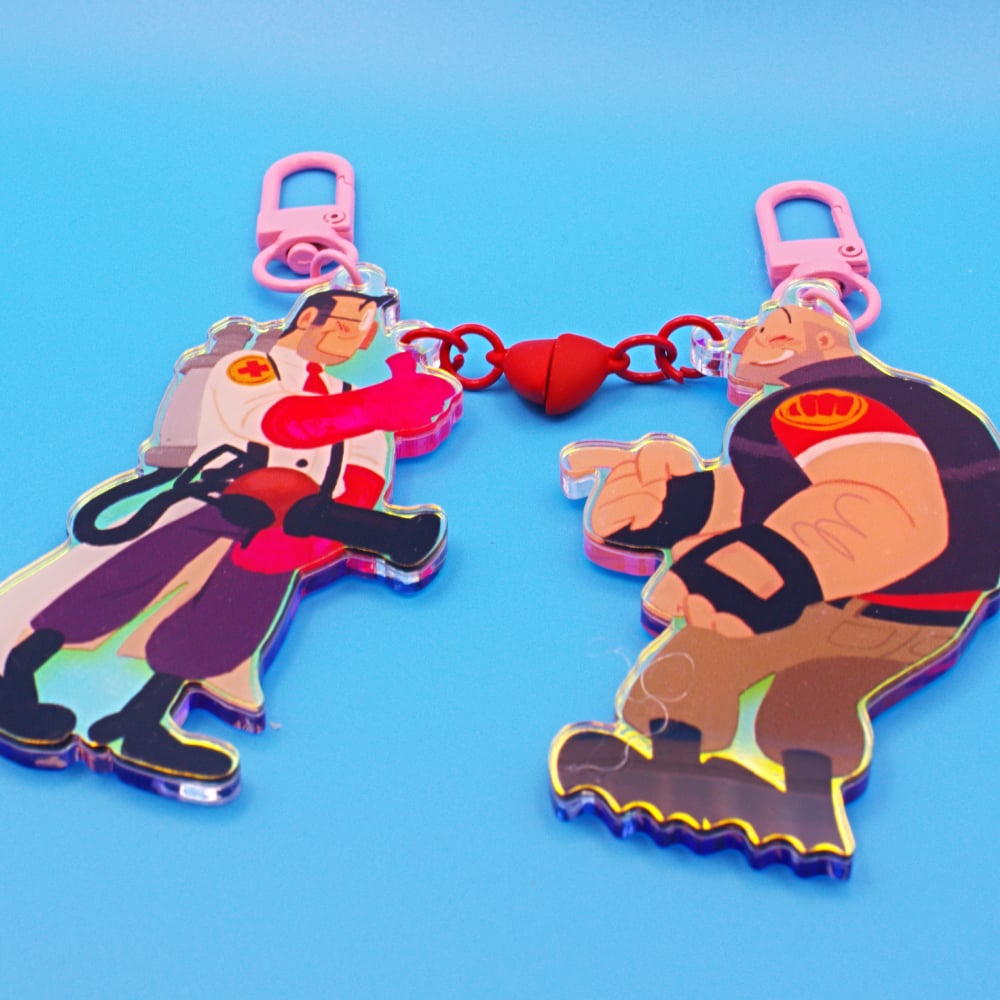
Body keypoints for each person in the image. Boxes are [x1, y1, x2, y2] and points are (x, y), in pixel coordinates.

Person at [550, 284, 1000, 874]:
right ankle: (806, 792)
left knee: (699, 656)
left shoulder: (824, 402)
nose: (753, 335)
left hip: (852, 589)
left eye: (775, 324)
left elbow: (882, 503)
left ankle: (671, 761)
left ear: (823, 340)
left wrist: (763, 570)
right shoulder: (892, 403)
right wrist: (668, 507)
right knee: (813, 696)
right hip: (931, 616)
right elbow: (758, 497)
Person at [0, 283, 460, 799]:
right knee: (114, 592)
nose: (356, 339)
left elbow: (364, 477)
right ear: (310, 318)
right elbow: (277, 423)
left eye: (365, 332)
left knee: (221, 630)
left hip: (291, 534)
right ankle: (14, 681)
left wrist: (317, 541)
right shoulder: (253, 367)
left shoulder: (354, 395)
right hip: (214, 503)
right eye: (350, 324)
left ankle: (142, 725)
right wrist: (381, 406)